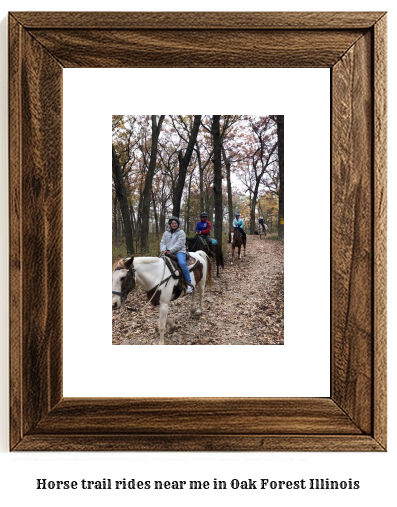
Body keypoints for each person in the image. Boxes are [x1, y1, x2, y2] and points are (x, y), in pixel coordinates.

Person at [160, 216, 194, 294]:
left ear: (178, 224)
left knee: (182, 263)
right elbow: (162, 242)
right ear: (170, 224)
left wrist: (170, 250)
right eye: (172, 223)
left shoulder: (181, 232)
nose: (174, 225)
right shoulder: (166, 233)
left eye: (175, 223)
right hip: (167, 251)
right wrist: (163, 249)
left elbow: (180, 243)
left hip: (179, 251)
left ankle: (189, 283)